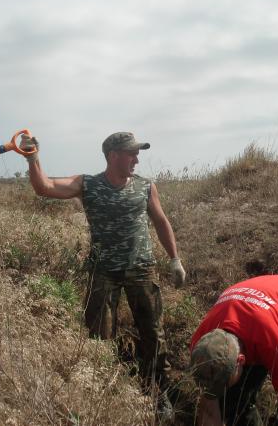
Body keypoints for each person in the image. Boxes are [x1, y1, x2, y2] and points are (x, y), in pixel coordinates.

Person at [21, 131, 186, 422]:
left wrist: (175, 260)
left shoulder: (146, 187)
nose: (137, 159)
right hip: (103, 272)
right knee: (100, 336)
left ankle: (158, 392)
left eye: (138, 153)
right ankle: (105, 392)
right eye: (131, 153)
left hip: (141, 269)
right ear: (113, 156)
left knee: (153, 333)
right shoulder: (88, 184)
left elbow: (160, 220)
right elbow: (44, 187)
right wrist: (33, 157)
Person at [190, 274, 278, 426]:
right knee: (233, 402)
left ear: (241, 360)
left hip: (277, 315)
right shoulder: (201, 348)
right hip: (261, 313)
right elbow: (209, 408)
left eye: (223, 383)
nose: (218, 389)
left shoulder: (276, 344)